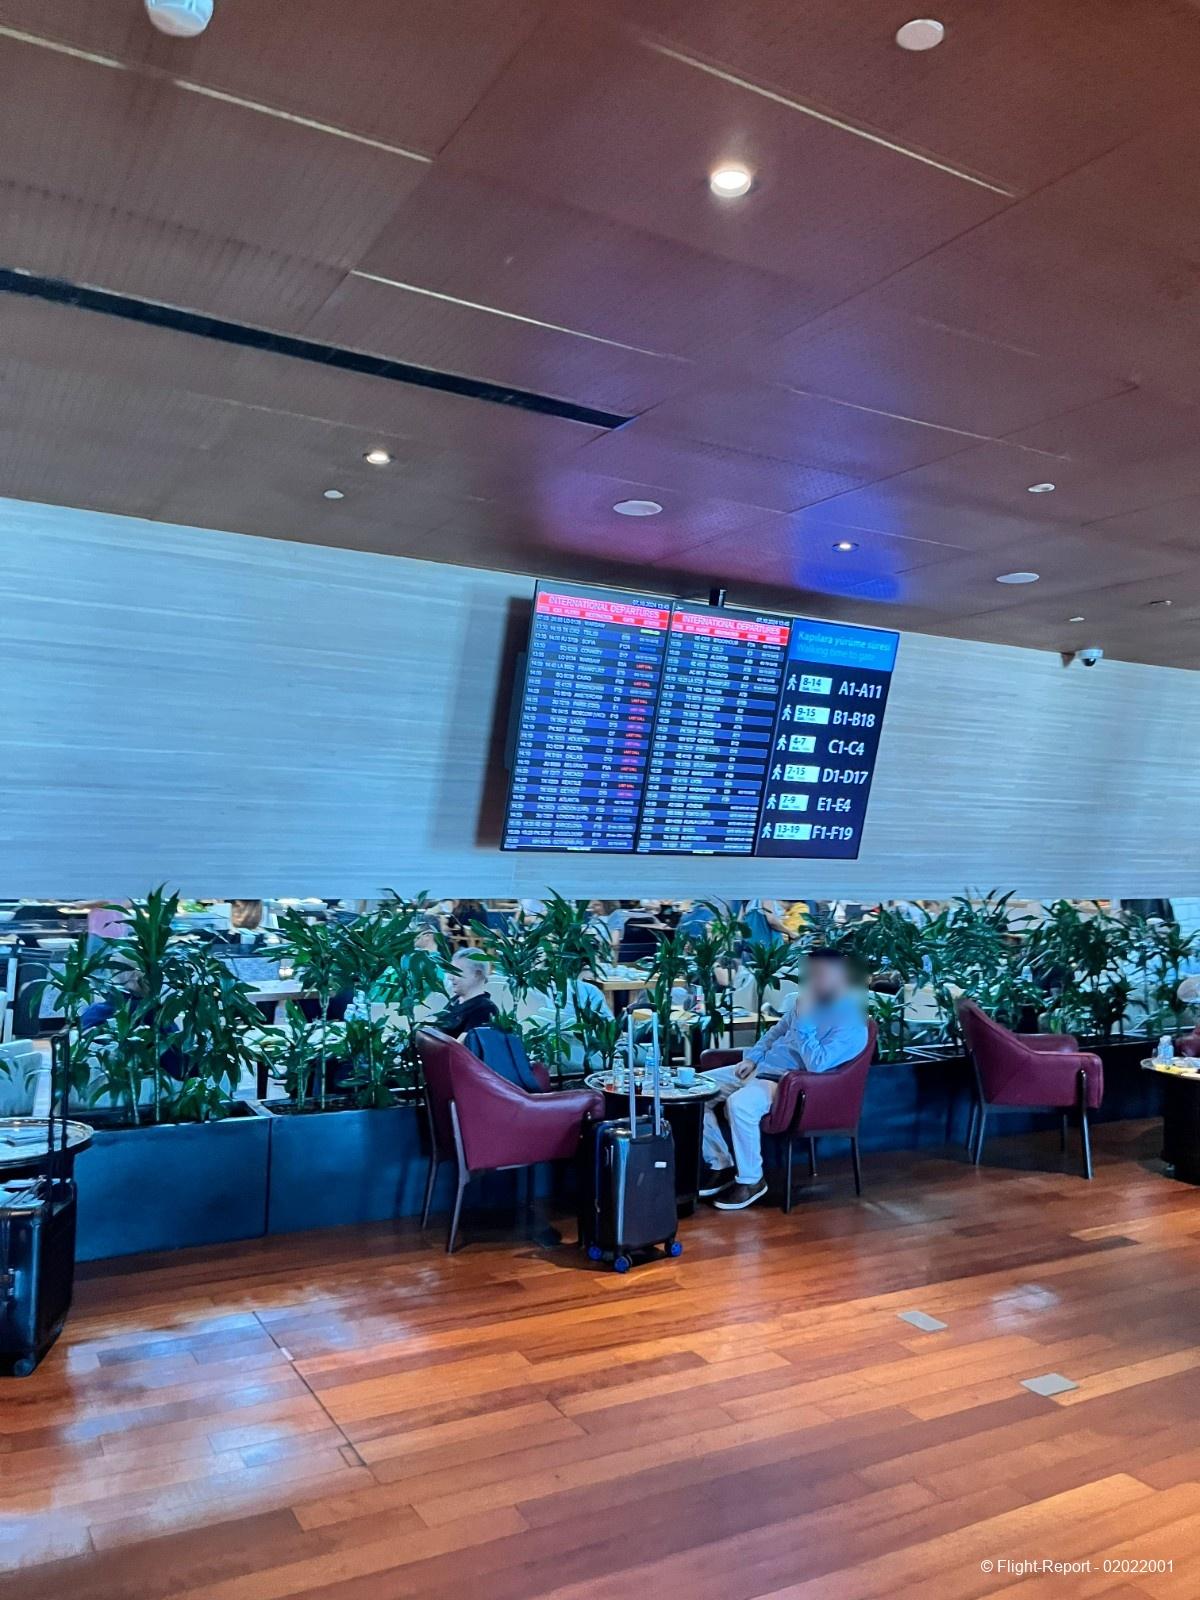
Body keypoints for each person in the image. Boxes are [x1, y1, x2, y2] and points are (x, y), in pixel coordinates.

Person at [701, 948, 867, 1211]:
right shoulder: (808, 1003)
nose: (814, 981)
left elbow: (818, 1064)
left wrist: (804, 1021)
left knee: (740, 1104)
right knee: (696, 1091)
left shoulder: (852, 1023)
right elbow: (774, 1033)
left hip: (787, 1083)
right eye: (811, 974)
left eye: (821, 974)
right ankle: (721, 1163)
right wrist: (752, 1058)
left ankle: (751, 1180)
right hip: (760, 1069)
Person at [435, 950, 499, 1038]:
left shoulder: (485, 1009)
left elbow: (461, 1045)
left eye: (456, 972)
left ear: (477, 974)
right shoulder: (455, 1001)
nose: (450, 977)